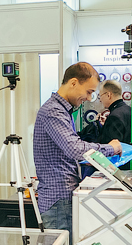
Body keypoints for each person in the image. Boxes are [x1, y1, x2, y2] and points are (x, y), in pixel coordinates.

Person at [34, 62, 122, 233]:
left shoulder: (62, 110)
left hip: (62, 199)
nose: (89, 98)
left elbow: (66, 152)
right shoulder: (54, 111)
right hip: (58, 200)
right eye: (89, 92)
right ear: (73, 83)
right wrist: (111, 148)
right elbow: (75, 149)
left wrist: (85, 161)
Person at [95, 79, 132, 146]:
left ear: (108, 95)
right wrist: (106, 125)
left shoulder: (114, 116)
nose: (100, 100)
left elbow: (111, 147)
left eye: (100, 96)